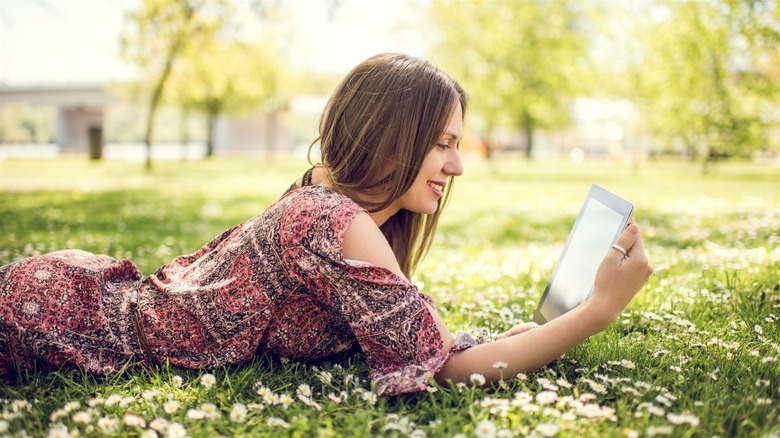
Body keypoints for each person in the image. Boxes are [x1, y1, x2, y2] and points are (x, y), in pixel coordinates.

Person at [0, 53, 652, 396]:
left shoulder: (326, 196)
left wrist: (511, 336)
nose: (457, 165)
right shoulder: (336, 220)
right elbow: (441, 372)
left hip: (90, 291)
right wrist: (594, 311)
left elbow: (415, 339)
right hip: (67, 318)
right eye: (442, 144)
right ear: (395, 138)